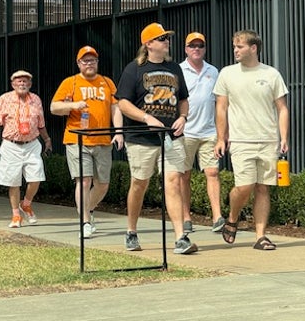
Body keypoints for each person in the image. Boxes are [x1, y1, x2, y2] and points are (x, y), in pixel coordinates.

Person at [115, 22, 198, 254]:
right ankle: (131, 231)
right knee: (140, 184)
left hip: (171, 136)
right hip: (141, 138)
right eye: (161, 38)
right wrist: (146, 118)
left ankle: (181, 237)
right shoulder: (134, 69)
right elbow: (122, 102)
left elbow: (183, 99)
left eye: (167, 38)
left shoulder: (174, 68)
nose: (166, 41)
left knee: (173, 182)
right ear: (149, 44)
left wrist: (183, 116)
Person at [213, 30, 290, 251]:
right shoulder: (227, 74)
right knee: (244, 187)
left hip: (268, 140)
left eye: (240, 47)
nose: (235, 50)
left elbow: (282, 108)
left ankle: (260, 236)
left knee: (263, 188)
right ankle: (233, 217)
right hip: (240, 140)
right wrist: (221, 138)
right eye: (235, 47)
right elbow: (221, 107)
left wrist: (283, 137)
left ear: (253, 48)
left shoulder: (271, 74)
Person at [50, 45, 124, 238]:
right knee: (83, 181)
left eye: (93, 60)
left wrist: (119, 132)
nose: (89, 64)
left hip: (103, 140)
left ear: (97, 63)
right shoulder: (71, 82)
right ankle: (84, 222)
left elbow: (115, 108)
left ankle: (87, 210)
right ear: (79, 63)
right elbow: (53, 107)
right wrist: (73, 105)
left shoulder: (107, 83)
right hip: (77, 139)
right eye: (85, 61)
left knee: (103, 184)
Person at [0, 70, 53, 228]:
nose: (22, 84)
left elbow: (41, 123)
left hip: (32, 144)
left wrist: (47, 139)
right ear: (13, 84)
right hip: (11, 145)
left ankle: (26, 203)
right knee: (13, 181)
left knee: (36, 178)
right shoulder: (4, 99)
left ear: (30, 84)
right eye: (19, 81)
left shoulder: (36, 99)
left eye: (25, 81)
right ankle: (16, 215)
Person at [179, 32, 225, 233]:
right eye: (192, 45)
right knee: (184, 175)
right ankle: (186, 217)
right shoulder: (179, 71)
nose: (196, 49)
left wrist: (222, 135)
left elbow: (221, 104)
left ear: (205, 48)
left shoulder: (213, 71)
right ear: (186, 49)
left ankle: (217, 217)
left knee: (212, 172)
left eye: (200, 45)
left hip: (209, 131)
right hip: (186, 131)